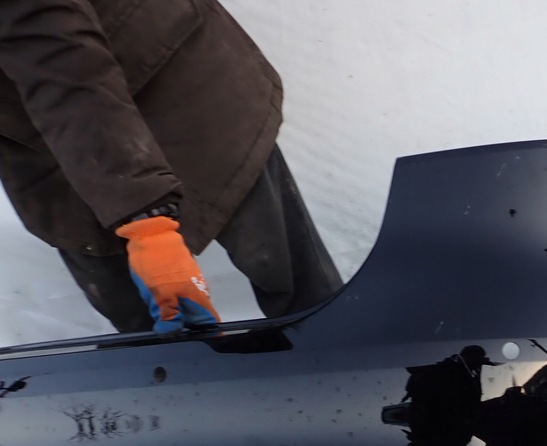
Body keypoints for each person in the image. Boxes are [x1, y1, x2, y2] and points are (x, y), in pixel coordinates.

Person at [0, 0, 342, 334]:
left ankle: (334, 352)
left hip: (178, 84)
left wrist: (148, 225)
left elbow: (65, 69)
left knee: (297, 291)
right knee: (149, 331)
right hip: (42, 146)